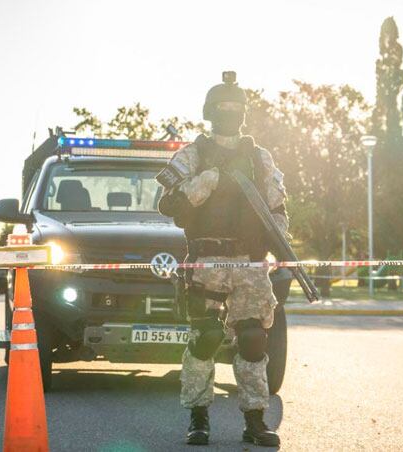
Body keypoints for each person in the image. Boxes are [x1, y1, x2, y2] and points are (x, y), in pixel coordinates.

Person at [157, 71, 287, 447]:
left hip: (249, 262)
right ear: (210, 111)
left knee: (252, 340)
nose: (229, 112)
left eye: (236, 107)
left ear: (244, 113)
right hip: (207, 259)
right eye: (223, 107)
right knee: (206, 337)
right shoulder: (193, 155)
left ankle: (255, 419)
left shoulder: (259, 158)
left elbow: (277, 209)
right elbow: (169, 204)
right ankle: (198, 418)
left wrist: (280, 248)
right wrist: (207, 182)